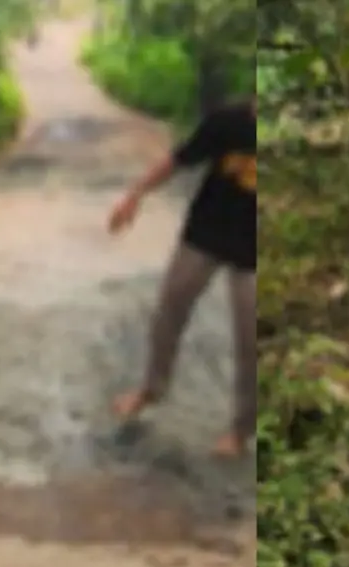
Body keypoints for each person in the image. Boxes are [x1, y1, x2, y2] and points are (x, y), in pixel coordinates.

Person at [108, 97, 257, 458]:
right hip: (205, 234)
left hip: (253, 251)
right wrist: (135, 195)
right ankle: (151, 390)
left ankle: (242, 429)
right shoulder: (227, 122)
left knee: (251, 341)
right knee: (169, 310)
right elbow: (177, 160)